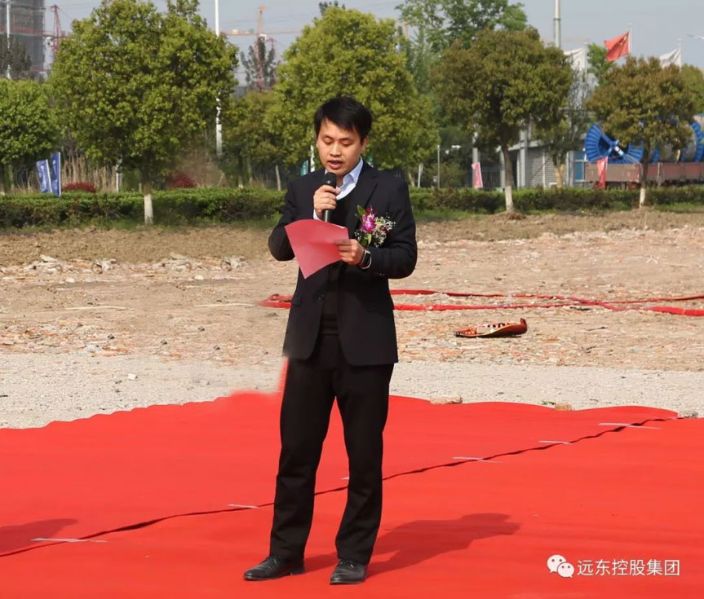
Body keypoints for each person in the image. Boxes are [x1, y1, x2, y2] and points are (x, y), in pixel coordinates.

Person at [244, 96, 417, 585]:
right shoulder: (304, 189)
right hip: (309, 341)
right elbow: (279, 248)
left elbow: (405, 257)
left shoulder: (388, 188)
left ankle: (353, 554)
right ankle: (285, 553)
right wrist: (309, 215)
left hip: (365, 343)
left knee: (363, 455)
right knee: (296, 452)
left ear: (363, 143)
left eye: (345, 142)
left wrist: (366, 256)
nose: (335, 151)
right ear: (317, 140)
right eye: (327, 141)